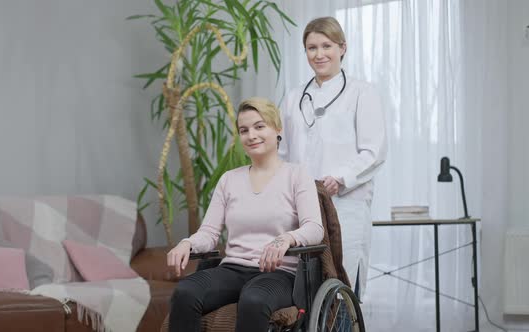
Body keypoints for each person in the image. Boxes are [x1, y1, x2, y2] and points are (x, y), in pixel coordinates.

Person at [166, 97, 324, 332]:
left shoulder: (296, 175)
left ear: (277, 129)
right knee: (185, 292)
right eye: (244, 130)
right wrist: (187, 243)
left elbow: (315, 228)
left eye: (260, 126)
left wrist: (287, 239)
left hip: (278, 273)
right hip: (232, 269)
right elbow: (209, 233)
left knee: (254, 300)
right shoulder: (229, 179)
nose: (251, 135)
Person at [279, 16, 387, 299]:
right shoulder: (293, 98)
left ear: (342, 47)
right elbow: (282, 153)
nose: (319, 54)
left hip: (345, 204)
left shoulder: (362, 92)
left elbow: (374, 152)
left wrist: (341, 179)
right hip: (302, 207)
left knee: (342, 285)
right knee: (304, 289)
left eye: (326, 45)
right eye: (311, 47)